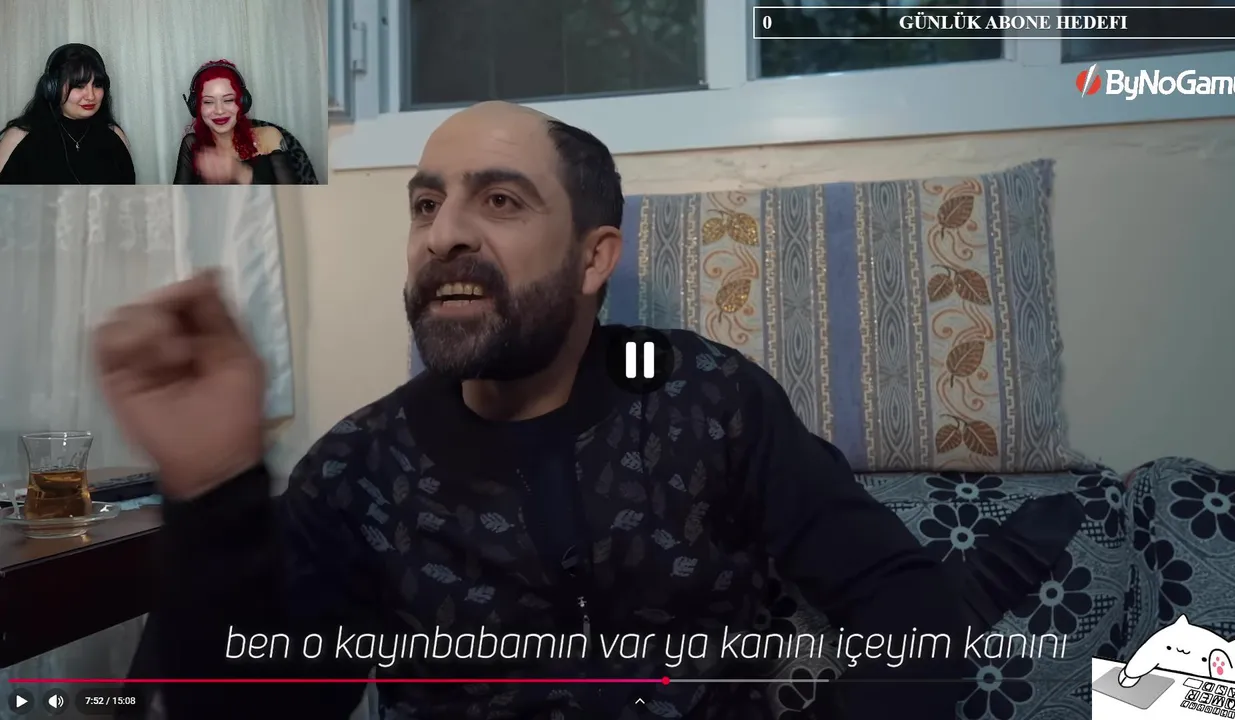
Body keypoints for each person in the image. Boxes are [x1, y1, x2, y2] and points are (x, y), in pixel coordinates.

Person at [95, 102, 975, 719]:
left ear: (595, 259)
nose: (443, 234)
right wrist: (215, 490)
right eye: (426, 205)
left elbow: (907, 600)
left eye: (501, 200)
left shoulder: (704, 392)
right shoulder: (362, 465)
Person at [0, 43, 135, 184]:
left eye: (97, 85)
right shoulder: (20, 136)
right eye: (79, 86)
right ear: (52, 88)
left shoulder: (114, 134)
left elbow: (128, 194)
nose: (91, 96)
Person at [172, 59, 317, 184]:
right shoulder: (191, 144)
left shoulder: (269, 136)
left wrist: (240, 173)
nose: (219, 110)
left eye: (229, 100)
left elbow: (290, 201)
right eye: (208, 102)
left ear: (243, 102)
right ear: (196, 107)